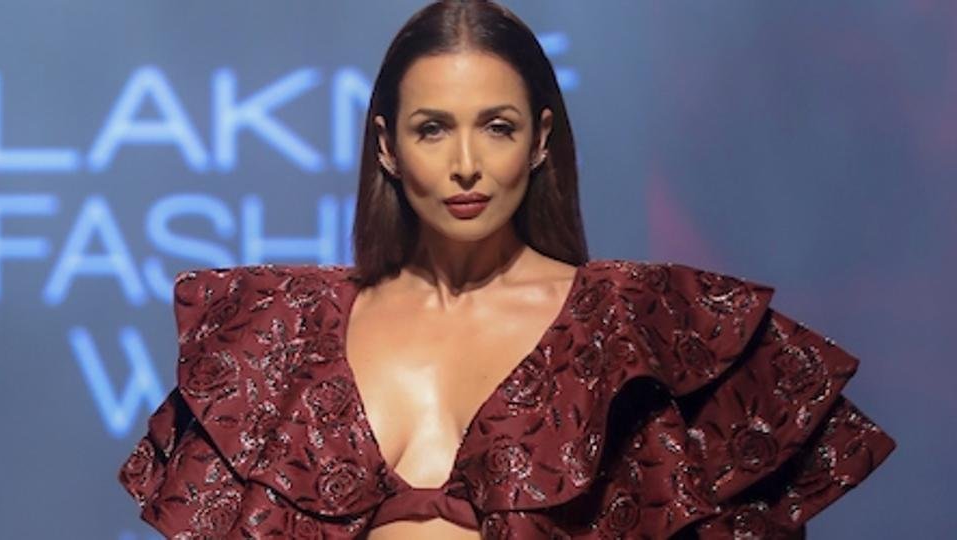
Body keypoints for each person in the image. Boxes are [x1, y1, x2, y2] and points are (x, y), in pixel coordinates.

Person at [118, 1, 896, 538]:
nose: (466, 163)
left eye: (497, 126)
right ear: (387, 147)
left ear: (540, 139)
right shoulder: (282, 334)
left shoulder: (633, 330)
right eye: (432, 129)